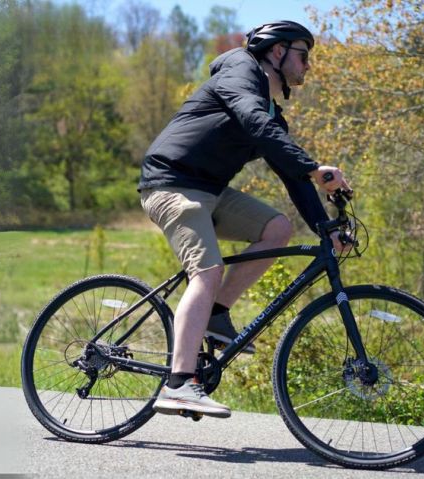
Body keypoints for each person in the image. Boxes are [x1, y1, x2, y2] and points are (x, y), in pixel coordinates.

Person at [138, 20, 350, 419]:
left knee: (277, 229)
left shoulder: (271, 113)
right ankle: (179, 384)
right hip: (171, 184)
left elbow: (291, 173)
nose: (308, 66)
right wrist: (312, 167)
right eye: (303, 56)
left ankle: (216, 314)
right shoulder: (239, 68)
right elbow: (254, 120)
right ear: (276, 51)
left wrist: (327, 228)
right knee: (207, 270)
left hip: (209, 191)